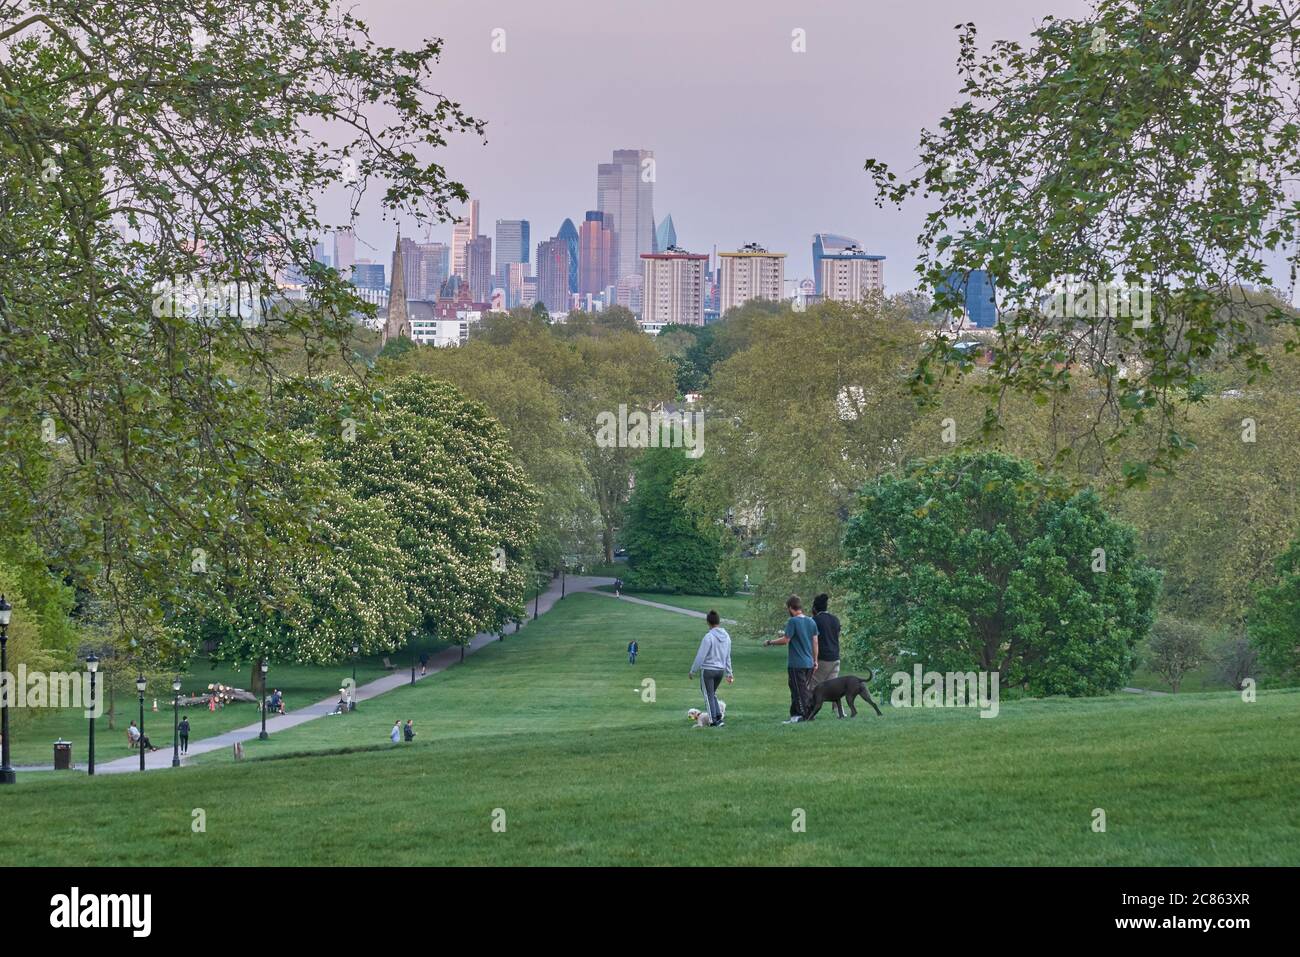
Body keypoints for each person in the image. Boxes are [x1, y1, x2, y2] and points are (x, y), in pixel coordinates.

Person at [764, 595, 818, 723]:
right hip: (809, 663)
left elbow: (785, 640)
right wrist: (815, 661)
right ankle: (795, 715)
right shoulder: (811, 621)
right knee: (799, 689)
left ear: (790, 608)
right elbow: (815, 642)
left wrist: (770, 642)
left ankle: (805, 716)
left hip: (796, 664)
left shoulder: (793, 621)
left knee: (799, 691)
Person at [689, 611, 733, 728]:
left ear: (708, 622)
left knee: (707, 695)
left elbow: (701, 655)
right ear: (718, 621)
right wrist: (729, 673)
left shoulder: (709, 637)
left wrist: (693, 670)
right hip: (720, 671)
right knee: (712, 693)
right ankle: (718, 715)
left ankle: (713, 721)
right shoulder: (727, 636)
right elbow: (727, 656)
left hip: (708, 670)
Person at [811, 593, 841, 686]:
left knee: (812, 688)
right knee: (832, 691)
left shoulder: (815, 621)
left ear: (814, 608)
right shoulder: (835, 620)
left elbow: (812, 640)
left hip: (822, 659)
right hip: (835, 658)